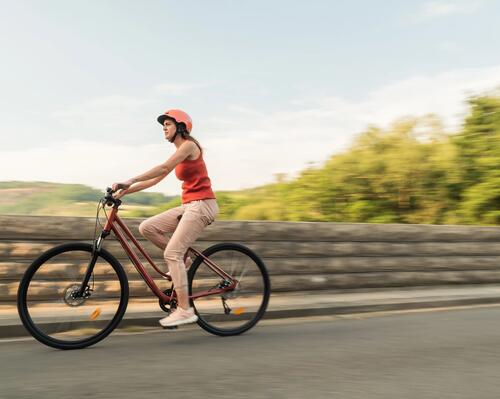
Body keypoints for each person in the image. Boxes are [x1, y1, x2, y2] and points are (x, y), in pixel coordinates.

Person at [111, 109, 219, 328]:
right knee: (147, 227)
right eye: (163, 126)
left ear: (181, 127)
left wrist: (129, 180)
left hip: (202, 206)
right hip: (189, 206)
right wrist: (125, 192)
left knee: (172, 253)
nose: (164, 129)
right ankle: (184, 262)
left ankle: (184, 310)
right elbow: (155, 180)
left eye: (168, 124)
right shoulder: (179, 153)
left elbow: (163, 167)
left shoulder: (189, 146)